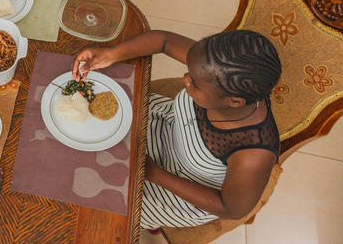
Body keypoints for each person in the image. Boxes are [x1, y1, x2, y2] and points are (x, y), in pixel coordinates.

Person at [72, 29, 281, 229]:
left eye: (195, 84)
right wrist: (111, 54)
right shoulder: (215, 64)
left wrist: (154, 174)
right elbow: (164, 40)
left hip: (174, 188)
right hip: (161, 124)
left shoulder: (254, 154)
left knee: (85, 202)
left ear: (234, 102)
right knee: (75, 136)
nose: (185, 80)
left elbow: (230, 208)